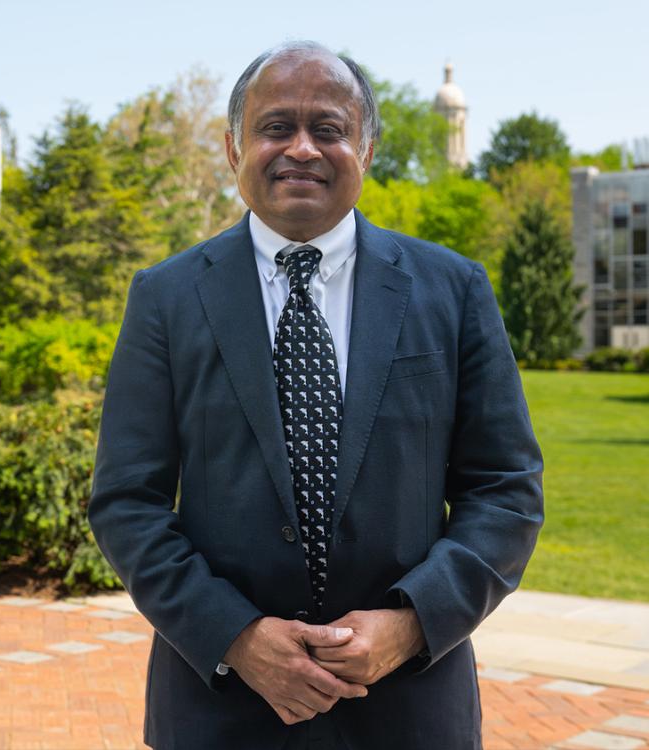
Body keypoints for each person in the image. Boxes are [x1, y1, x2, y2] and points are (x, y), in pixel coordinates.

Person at [88, 40, 543, 750]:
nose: (301, 148)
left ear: (367, 147)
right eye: (276, 127)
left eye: (328, 129)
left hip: (409, 710)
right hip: (221, 712)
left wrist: (412, 625)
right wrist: (235, 636)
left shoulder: (453, 291)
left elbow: (506, 489)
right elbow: (128, 501)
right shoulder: (165, 298)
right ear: (234, 143)